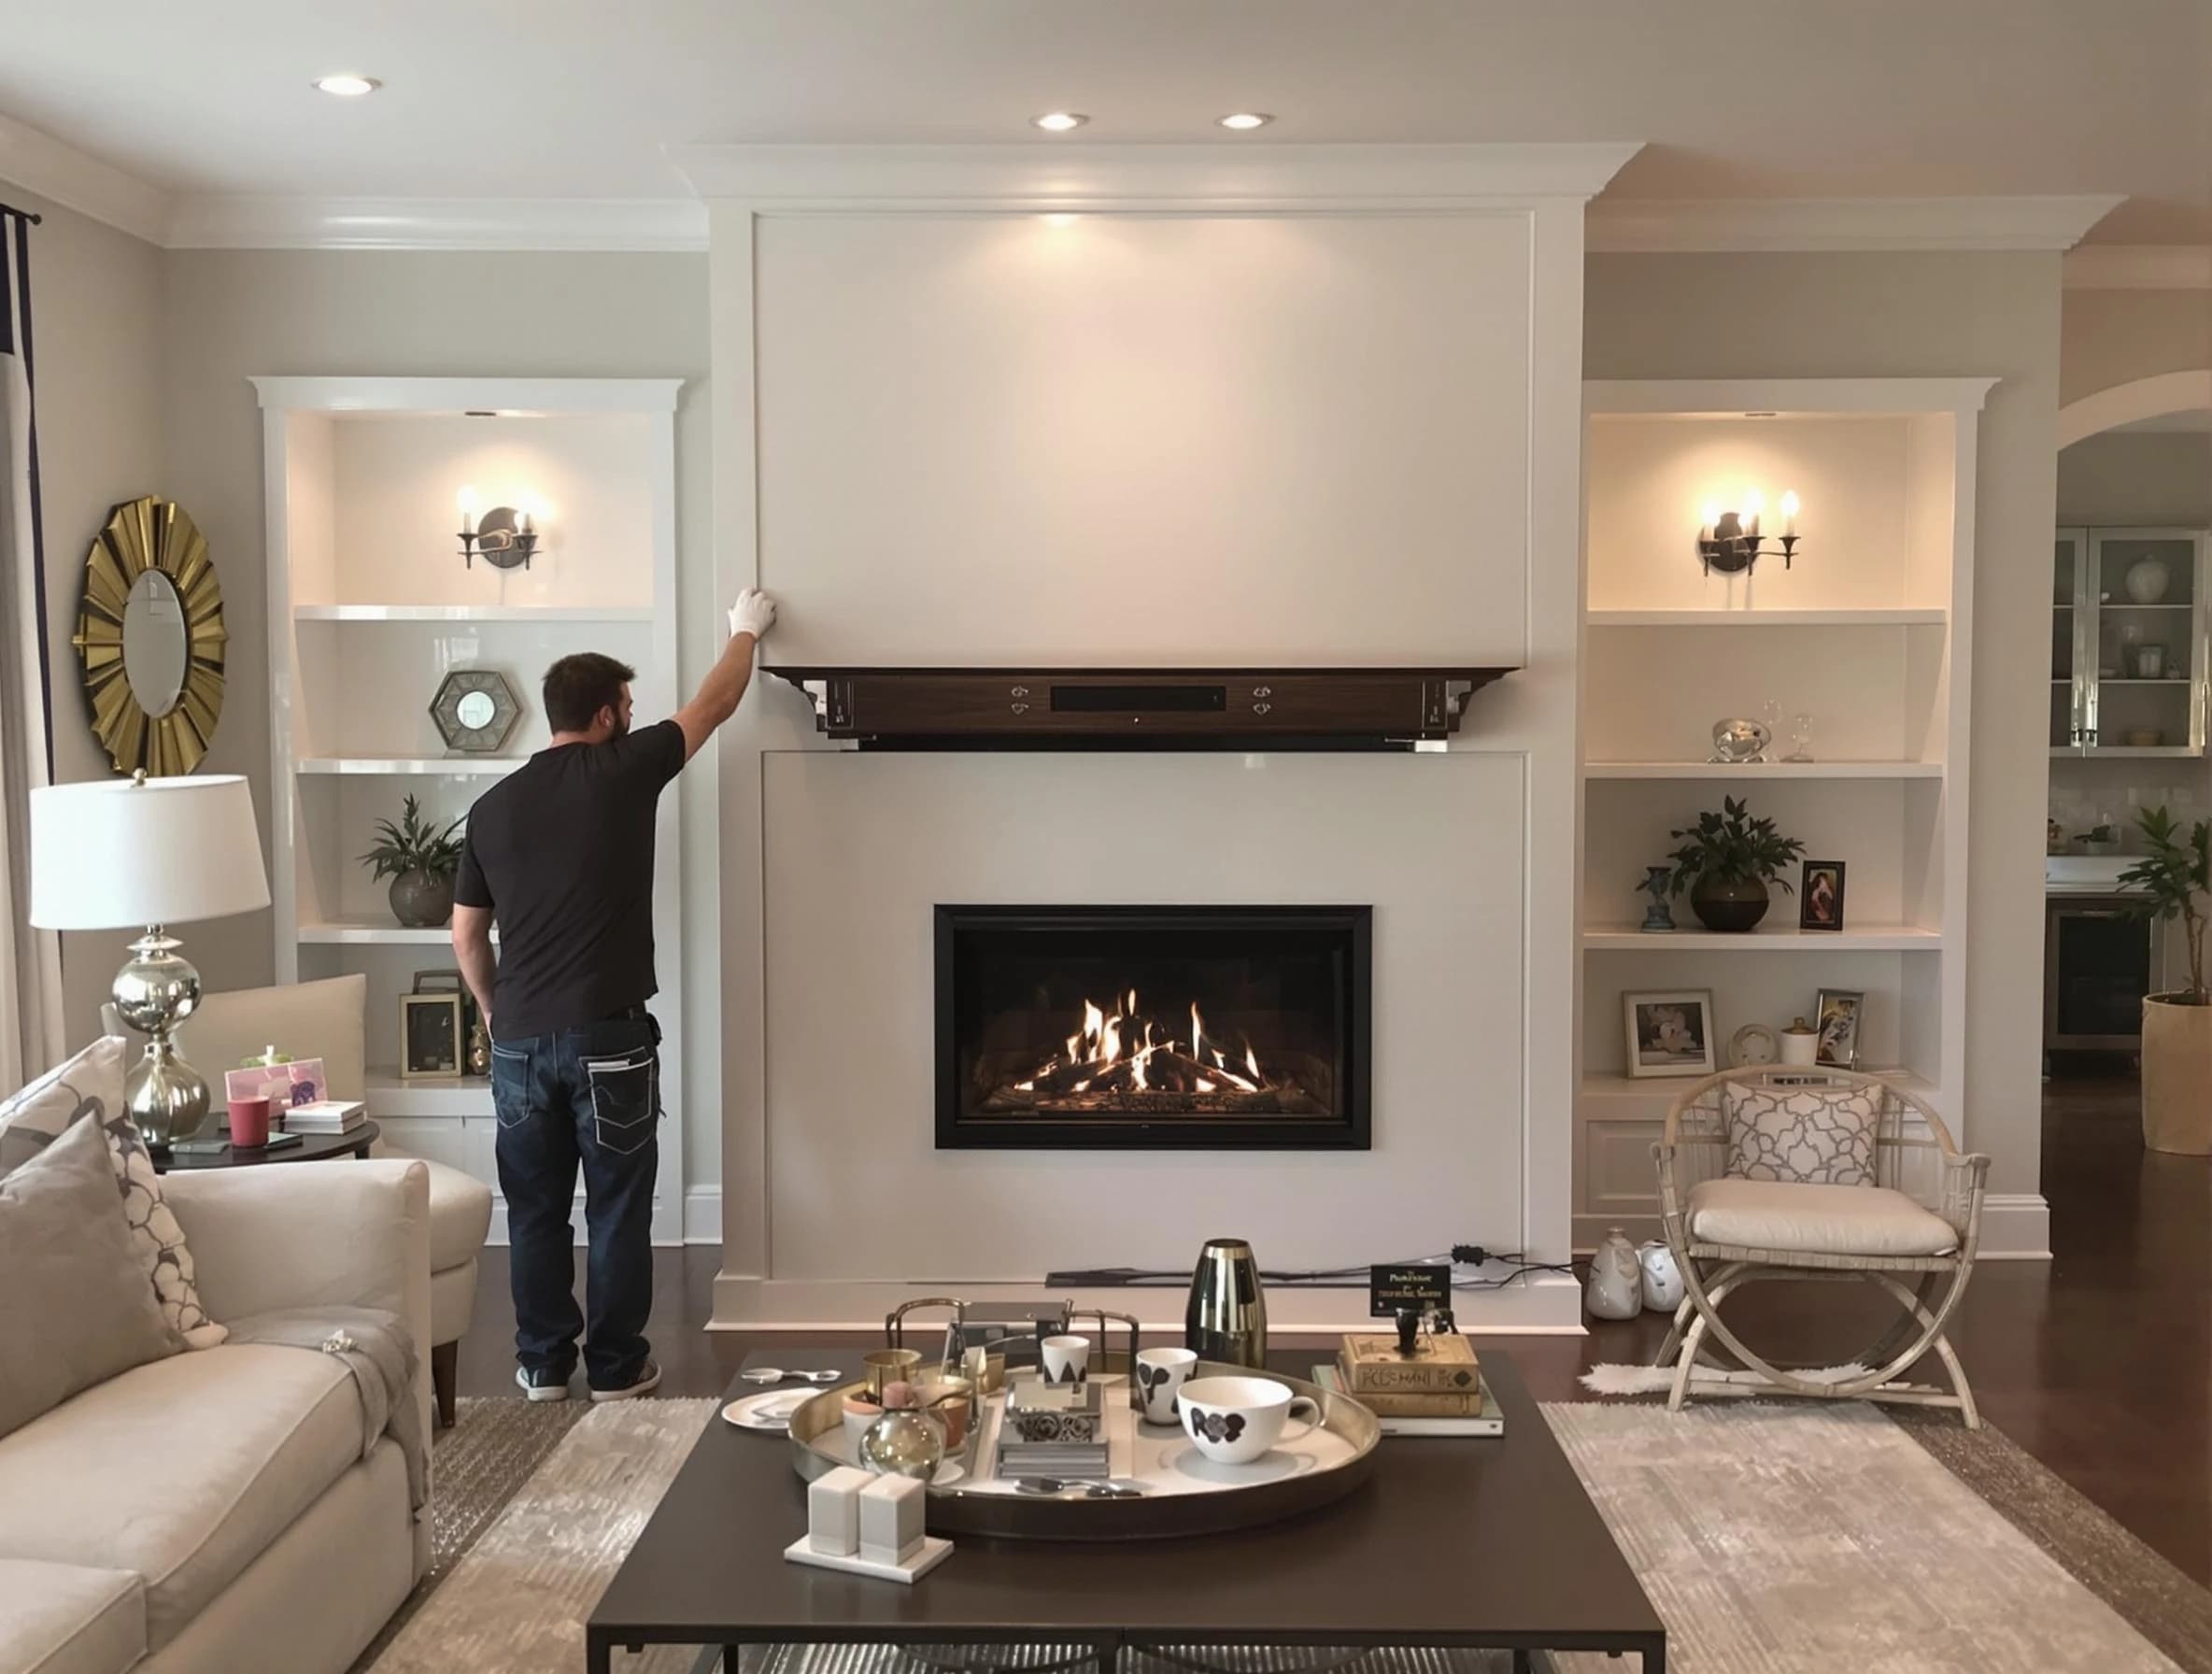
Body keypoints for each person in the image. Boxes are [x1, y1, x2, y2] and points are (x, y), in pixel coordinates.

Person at [451, 589, 779, 1401]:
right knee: (618, 1208)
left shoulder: (489, 810)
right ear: (603, 714)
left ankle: (540, 1366)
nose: (633, 718)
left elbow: (465, 935)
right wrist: (746, 630)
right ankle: (617, 1367)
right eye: (627, 706)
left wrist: (496, 1014)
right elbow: (717, 702)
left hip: (521, 1042)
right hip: (609, 1039)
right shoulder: (623, 770)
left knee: (532, 1212)